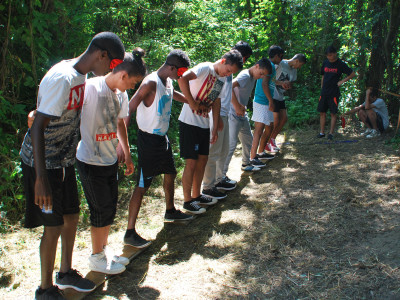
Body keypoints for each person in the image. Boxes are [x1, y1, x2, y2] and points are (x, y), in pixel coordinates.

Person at [20, 32, 125, 299]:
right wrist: (40, 179)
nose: (111, 70)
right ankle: (45, 289)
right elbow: (38, 128)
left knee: (71, 217)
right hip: (43, 163)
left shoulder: (81, 75)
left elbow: (45, 103)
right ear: (101, 55)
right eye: (112, 64)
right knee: (53, 226)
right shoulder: (63, 76)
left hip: (64, 160)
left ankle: (65, 273)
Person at [76, 49, 146, 274]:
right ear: (123, 75)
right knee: (100, 209)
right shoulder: (91, 87)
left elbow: (120, 124)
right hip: (89, 160)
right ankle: (96, 257)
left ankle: (103, 252)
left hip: (109, 160)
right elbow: (68, 110)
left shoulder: (121, 95)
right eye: (133, 83)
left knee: (110, 209)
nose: (133, 88)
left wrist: (127, 153)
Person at [120, 50, 194, 248]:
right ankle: (129, 232)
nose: (182, 76)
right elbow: (129, 108)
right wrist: (121, 143)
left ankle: (170, 211)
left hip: (162, 138)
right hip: (148, 141)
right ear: (171, 68)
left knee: (170, 172)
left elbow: (172, 94)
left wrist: (190, 101)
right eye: (180, 71)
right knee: (143, 185)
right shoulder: (150, 83)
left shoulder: (168, 81)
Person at [178, 50, 243, 214]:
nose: (228, 74)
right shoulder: (205, 68)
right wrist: (192, 104)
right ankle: (187, 201)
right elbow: (182, 78)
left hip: (204, 123)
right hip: (189, 121)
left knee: (202, 161)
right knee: (191, 162)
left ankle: (197, 195)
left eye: (231, 73)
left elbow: (216, 102)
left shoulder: (221, 79)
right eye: (228, 70)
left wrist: (214, 128)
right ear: (223, 61)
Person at [202, 41, 253, 198]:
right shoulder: (219, 70)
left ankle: (219, 179)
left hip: (223, 114)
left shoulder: (229, 71)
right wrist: (215, 117)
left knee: (223, 150)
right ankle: (208, 187)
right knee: (214, 152)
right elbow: (212, 96)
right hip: (217, 114)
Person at [223, 57, 272, 175]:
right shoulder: (245, 75)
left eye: (263, 76)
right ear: (256, 66)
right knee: (231, 145)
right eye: (261, 74)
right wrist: (236, 105)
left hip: (242, 114)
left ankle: (246, 163)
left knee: (248, 138)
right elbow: (229, 87)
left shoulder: (252, 77)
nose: (260, 77)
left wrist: (242, 105)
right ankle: (221, 176)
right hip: (233, 114)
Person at [269, 53, 306, 150]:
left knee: (284, 118)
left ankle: (272, 139)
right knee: (275, 121)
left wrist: (289, 85)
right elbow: (269, 78)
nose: (300, 67)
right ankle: (267, 142)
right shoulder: (281, 63)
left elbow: (291, 82)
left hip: (280, 95)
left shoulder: (294, 71)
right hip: (273, 94)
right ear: (297, 61)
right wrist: (280, 83)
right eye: (300, 65)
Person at [317, 45, 356, 140]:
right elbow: (323, 75)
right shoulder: (325, 63)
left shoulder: (341, 64)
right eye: (327, 55)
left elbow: (352, 74)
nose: (329, 57)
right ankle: (322, 132)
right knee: (322, 112)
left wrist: (342, 81)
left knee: (333, 113)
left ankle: (331, 133)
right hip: (324, 92)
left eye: (330, 55)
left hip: (334, 92)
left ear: (335, 54)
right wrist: (322, 86)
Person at [255, 45, 284, 156]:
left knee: (269, 126)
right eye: (281, 56)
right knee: (262, 128)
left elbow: (271, 81)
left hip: (265, 100)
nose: (281, 59)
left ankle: (261, 152)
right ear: (276, 55)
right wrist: (271, 101)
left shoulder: (271, 66)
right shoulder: (270, 66)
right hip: (263, 100)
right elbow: (264, 83)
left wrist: (281, 83)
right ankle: (258, 153)